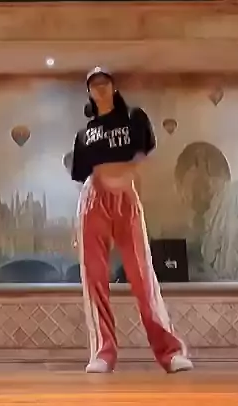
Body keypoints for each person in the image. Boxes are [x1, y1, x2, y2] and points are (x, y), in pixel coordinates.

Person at [68, 67, 192, 374]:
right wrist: (77, 223)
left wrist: (124, 174)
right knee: (95, 278)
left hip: (125, 198)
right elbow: (82, 175)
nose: (100, 87)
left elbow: (143, 154)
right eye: (94, 84)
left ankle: (170, 352)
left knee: (142, 275)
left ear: (113, 87)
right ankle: (103, 352)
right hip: (93, 200)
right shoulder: (84, 134)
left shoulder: (134, 118)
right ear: (89, 92)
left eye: (104, 82)